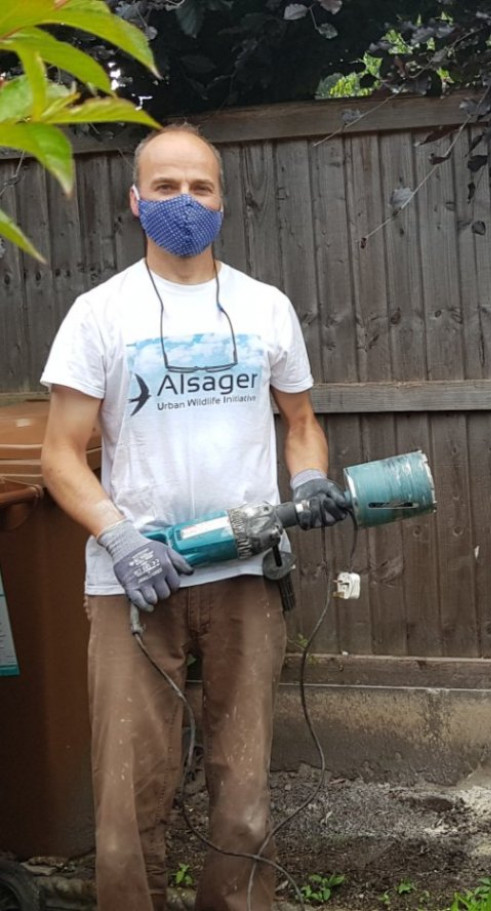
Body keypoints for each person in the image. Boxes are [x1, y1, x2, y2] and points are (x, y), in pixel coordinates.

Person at [40, 123, 349, 911]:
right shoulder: (98, 314)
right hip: (134, 585)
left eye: (201, 187)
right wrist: (120, 538)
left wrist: (308, 479)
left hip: (246, 572)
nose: (186, 202)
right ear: (137, 201)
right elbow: (60, 455)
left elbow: (301, 418)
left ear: (223, 199)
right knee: (128, 793)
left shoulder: (264, 306)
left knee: (243, 791)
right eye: (168, 188)